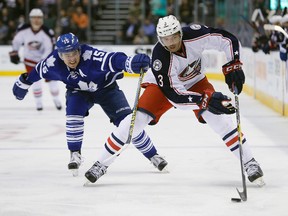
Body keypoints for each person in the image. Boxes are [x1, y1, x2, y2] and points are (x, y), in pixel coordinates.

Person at [84, 15, 265, 187]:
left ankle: (249, 162)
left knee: (219, 119)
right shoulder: (160, 57)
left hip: (195, 81)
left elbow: (227, 39)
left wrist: (233, 64)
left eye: (173, 37)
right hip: (162, 87)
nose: (169, 43)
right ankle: (101, 163)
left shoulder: (195, 34)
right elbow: (175, 96)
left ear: (180, 33)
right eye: (165, 39)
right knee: (133, 122)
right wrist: (205, 99)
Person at [12, 32, 168, 177]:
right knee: (73, 115)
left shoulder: (92, 56)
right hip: (78, 92)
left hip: (107, 90)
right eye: (67, 55)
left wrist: (129, 62)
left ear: (79, 50)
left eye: (74, 53)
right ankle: (75, 153)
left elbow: (113, 60)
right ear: (60, 55)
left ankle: (153, 155)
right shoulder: (53, 62)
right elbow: (38, 71)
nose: (71, 58)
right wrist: (24, 82)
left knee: (128, 125)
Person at [9, 8, 62, 111]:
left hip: (46, 62)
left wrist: (43, 61)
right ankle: (39, 103)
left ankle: (56, 100)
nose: (36, 20)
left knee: (53, 82)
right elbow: (16, 41)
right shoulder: (23, 30)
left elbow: (50, 48)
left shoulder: (47, 32)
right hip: (30, 61)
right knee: (34, 82)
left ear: (42, 19)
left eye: (39, 17)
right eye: (34, 18)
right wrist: (14, 53)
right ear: (30, 19)